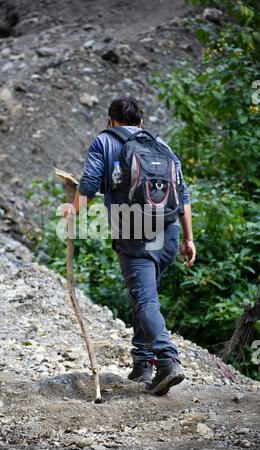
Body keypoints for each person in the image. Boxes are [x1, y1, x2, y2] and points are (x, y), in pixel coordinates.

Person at [67, 96, 196, 395]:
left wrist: (72, 212)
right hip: (169, 231)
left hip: (134, 231)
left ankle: (167, 360)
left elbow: (88, 185)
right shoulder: (160, 144)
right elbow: (183, 193)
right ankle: (142, 364)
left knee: (145, 300)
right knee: (145, 298)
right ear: (140, 121)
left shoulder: (103, 141)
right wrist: (189, 239)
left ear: (110, 120)